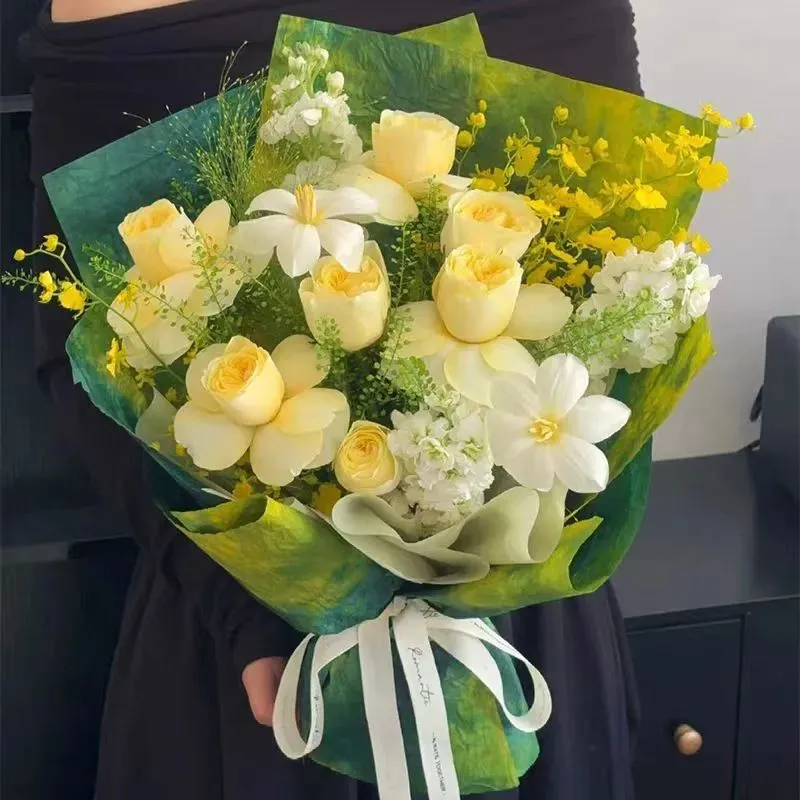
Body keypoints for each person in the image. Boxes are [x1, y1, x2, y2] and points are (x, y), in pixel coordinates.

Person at [25, 1, 641, 797]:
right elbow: (79, 346)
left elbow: (628, 286)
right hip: (261, 649)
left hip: (517, 622)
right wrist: (249, 608)